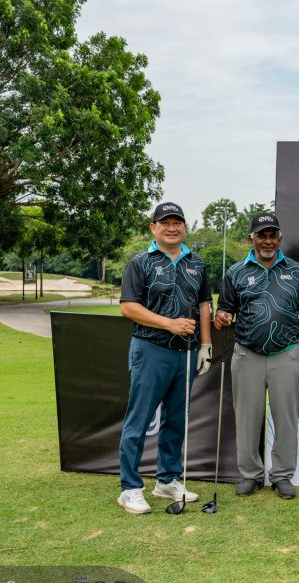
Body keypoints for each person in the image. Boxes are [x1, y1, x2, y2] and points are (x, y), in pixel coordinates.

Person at [116, 201, 213, 514]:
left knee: (176, 420)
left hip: (186, 353)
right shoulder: (140, 262)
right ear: (153, 228)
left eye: (177, 222)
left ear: (185, 227)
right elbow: (128, 307)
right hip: (150, 349)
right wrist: (170, 324)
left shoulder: (196, 262)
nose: (172, 228)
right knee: (140, 420)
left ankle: (167, 480)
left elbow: (204, 305)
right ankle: (130, 488)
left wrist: (205, 345)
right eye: (165, 223)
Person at [214, 212, 299, 499]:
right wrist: (221, 317)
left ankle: (282, 476)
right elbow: (224, 311)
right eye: (262, 236)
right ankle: (251, 475)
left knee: (286, 419)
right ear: (252, 239)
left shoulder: (296, 271)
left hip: (286, 354)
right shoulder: (236, 272)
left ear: (280, 239)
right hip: (247, 354)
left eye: (273, 235)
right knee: (247, 419)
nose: (267, 241)